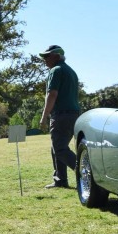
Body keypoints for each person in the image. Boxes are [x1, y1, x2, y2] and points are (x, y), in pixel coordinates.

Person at [39, 45, 79, 189]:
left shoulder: (56, 70)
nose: (44, 60)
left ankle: (86, 172)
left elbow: (52, 94)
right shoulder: (70, 71)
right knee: (56, 147)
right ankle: (60, 180)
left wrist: (44, 117)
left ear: (56, 56)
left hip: (61, 115)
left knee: (60, 149)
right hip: (73, 114)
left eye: (47, 56)